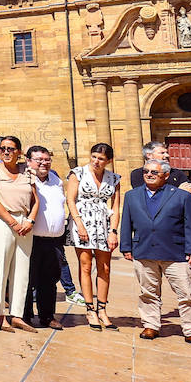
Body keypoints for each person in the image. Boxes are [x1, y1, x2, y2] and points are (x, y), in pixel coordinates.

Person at [119, 160, 191, 349]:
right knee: (148, 292)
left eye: (154, 172)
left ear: (166, 176)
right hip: (144, 250)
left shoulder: (182, 196)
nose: (149, 174)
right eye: (146, 171)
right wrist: (126, 245)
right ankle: (151, 325)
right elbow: (126, 221)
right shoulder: (131, 195)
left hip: (175, 252)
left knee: (187, 293)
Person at [0, 135, 39, 333]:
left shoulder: (27, 171)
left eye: (11, 149)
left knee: (22, 270)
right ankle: (0, 316)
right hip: (2, 223)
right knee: (0, 270)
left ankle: (17, 315)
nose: (6, 152)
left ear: (19, 152)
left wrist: (30, 220)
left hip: (25, 222)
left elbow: (36, 200)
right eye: (3, 148)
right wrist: (12, 222)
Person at [64, 142, 122, 331]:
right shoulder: (78, 173)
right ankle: (90, 309)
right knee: (86, 266)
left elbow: (115, 207)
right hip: (83, 222)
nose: (96, 161)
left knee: (105, 267)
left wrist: (113, 231)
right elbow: (70, 200)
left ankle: (103, 309)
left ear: (108, 161)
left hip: (104, 224)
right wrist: (79, 224)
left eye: (101, 159)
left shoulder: (114, 178)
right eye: (94, 157)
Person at [22, 146, 67, 330]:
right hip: (31, 239)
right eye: (39, 159)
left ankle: (47, 316)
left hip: (54, 241)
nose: (43, 163)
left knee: (49, 281)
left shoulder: (56, 180)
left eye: (47, 159)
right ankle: (24, 316)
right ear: (28, 161)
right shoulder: (24, 180)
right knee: (27, 280)